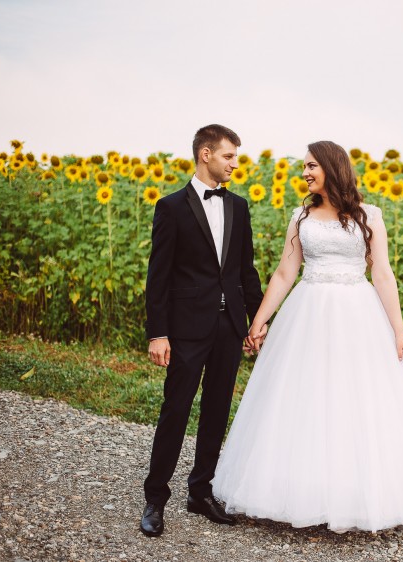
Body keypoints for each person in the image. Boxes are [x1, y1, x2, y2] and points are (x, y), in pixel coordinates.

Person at [212, 140, 403, 532]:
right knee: (304, 398)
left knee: (356, 400)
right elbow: (283, 273)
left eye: (311, 166)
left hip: (357, 316)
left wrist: (398, 330)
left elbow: (382, 274)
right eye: (303, 167)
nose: (305, 173)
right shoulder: (300, 216)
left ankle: (354, 494)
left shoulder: (369, 216)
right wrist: (259, 320)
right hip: (307, 312)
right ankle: (300, 491)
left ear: (332, 167)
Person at [140, 124, 264, 537]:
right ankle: (155, 498)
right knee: (175, 410)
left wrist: (257, 321)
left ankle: (200, 492)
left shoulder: (240, 207)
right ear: (206, 153)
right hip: (186, 329)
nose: (234, 164)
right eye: (229, 156)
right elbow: (158, 278)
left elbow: (245, 270)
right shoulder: (171, 207)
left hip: (229, 329)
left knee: (216, 412)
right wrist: (158, 333)